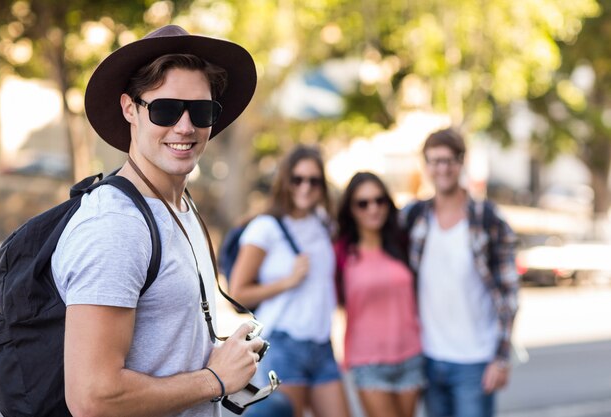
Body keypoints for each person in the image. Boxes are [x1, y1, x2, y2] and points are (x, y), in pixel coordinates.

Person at [51, 25, 265, 417]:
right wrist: (214, 380)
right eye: (166, 109)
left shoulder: (181, 205)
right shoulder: (115, 227)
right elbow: (92, 397)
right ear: (130, 108)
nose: (185, 127)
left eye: (201, 111)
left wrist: (214, 357)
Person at [400, 127, 519, 417]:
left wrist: (501, 359)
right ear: (425, 165)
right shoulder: (413, 217)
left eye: (449, 160)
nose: (442, 168)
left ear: (461, 162)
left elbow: (509, 295)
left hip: (475, 362)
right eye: (434, 160)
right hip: (428, 359)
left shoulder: (488, 219)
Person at [229, 145, 350, 417]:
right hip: (284, 344)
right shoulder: (265, 228)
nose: (305, 187)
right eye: (297, 179)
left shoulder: (322, 223)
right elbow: (238, 292)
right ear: (286, 181)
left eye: (313, 181)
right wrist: (287, 281)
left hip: (322, 344)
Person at [334, 172, 424, 417]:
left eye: (379, 200)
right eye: (363, 203)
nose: (372, 208)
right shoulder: (341, 253)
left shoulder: (403, 243)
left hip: (411, 356)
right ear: (351, 209)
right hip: (367, 361)